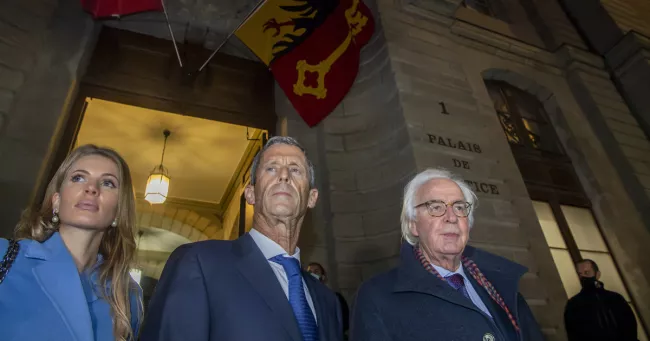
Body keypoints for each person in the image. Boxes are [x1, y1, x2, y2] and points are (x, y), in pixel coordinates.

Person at [140, 136, 343, 341]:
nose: (284, 175)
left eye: (295, 170)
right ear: (251, 194)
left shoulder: (327, 301)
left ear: (311, 197)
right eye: (271, 168)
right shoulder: (198, 263)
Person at [351, 168, 545, 341]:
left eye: (459, 207)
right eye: (436, 207)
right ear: (413, 225)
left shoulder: (501, 286)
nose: (451, 217)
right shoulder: (377, 296)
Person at [0, 145, 143, 341]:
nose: (91, 188)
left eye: (108, 183)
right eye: (78, 178)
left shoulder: (128, 296)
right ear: (56, 201)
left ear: (119, 211)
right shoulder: (5, 257)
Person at [564, 259, 638, 341]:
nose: (583, 277)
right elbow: (573, 333)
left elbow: (630, 325)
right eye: (580, 274)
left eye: (587, 273)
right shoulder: (574, 304)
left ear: (598, 274)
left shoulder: (615, 298)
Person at [306, 262, 350, 338]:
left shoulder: (335, 298)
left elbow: (345, 321)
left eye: (316, 272)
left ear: (323, 277)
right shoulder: (304, 299)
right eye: (309, 272)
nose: (312, 274)